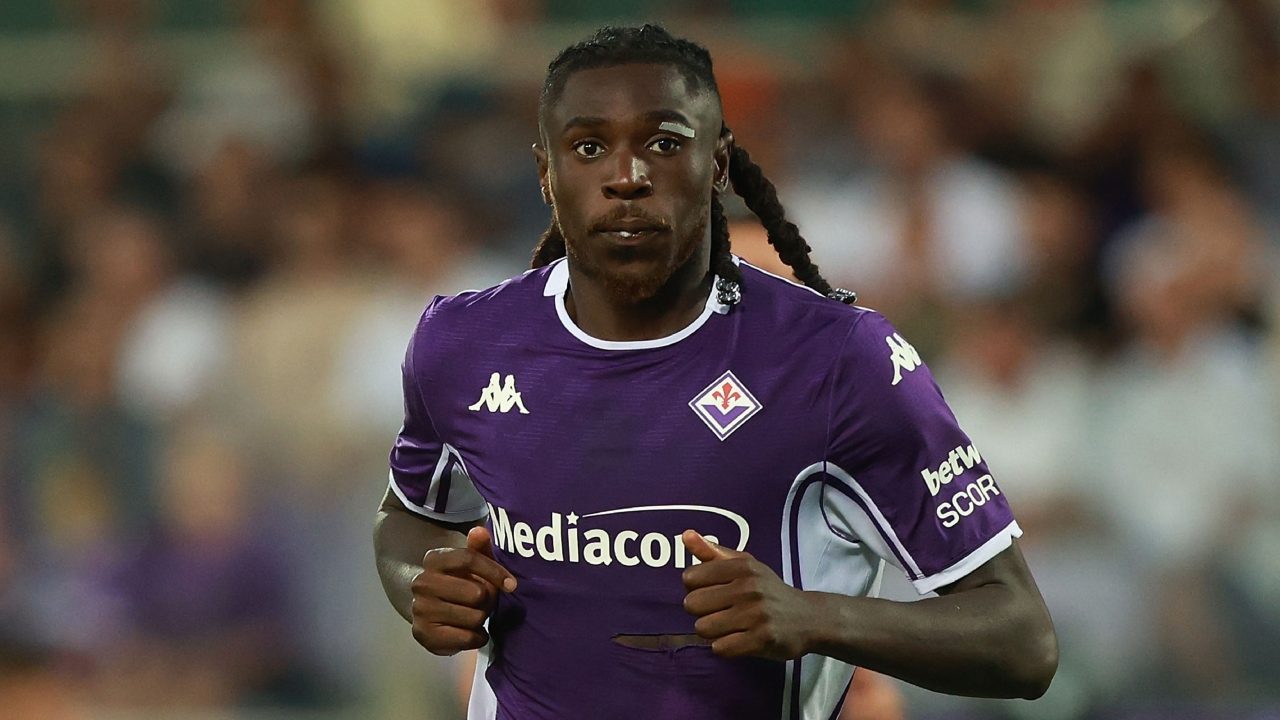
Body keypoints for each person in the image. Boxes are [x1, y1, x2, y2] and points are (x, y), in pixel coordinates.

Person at [374, 25, 1057, 719]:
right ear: (546, 173)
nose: (627, 177)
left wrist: (816, 617)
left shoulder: (839, 361)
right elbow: (406, 517)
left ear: (719, 163)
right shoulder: (462, 342)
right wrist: (423, 581)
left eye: (664, 142)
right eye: (589, 147)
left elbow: (1023, 641)